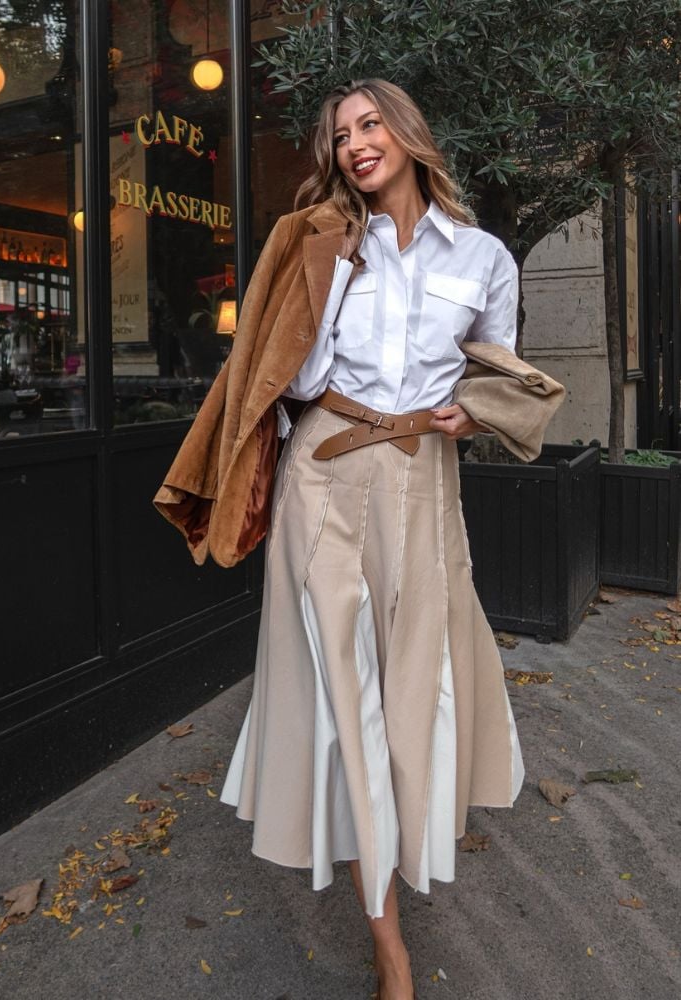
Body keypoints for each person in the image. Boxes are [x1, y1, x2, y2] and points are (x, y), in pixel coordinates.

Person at [154, 79, 564, 1000]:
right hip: (324, 470)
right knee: (342, 694)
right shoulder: (318, 241)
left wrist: (472, 415)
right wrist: (319, 283)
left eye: (370, 124)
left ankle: (402, 843)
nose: (355, 144)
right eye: (341, 134)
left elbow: (497, 374)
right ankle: (391, 951)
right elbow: (281, 377)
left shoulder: (485, 256)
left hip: (424, 476)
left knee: (415, 685)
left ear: (410, 134)